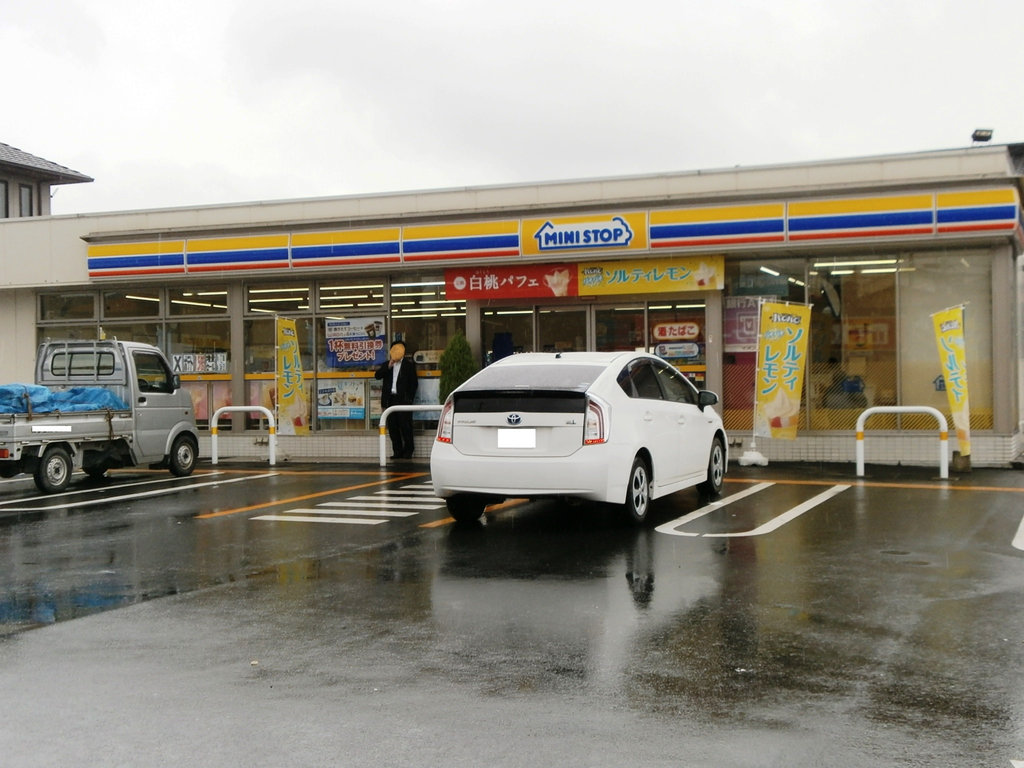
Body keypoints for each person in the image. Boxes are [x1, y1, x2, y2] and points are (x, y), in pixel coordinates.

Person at [375, 340, 419, 459]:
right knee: (393, 427)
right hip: (390, 399)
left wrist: (409, 399)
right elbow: (377, 375)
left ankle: (408, 451)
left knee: (405, 426)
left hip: (403, 400)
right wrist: (389, 366)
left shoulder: (408, 365)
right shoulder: (387, 364)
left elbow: (414, 383)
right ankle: (397, 451)